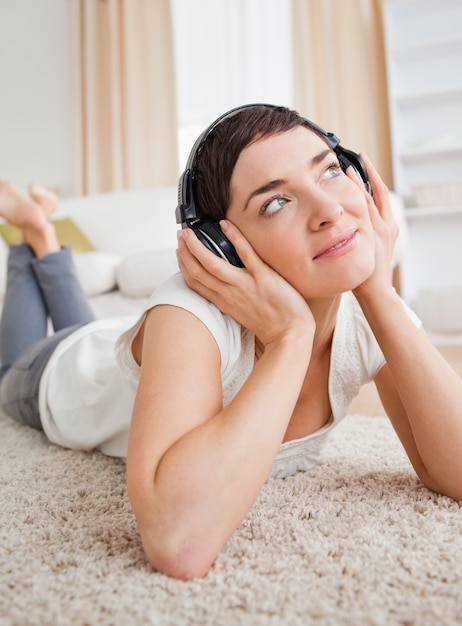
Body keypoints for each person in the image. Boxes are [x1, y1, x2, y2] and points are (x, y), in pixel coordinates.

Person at [1, 105, 461, 582]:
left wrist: (378, 292)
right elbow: (178, 542)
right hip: (59, 374)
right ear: (223, 245)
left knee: (83, 326)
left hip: (109, 346)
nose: (330, 211)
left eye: (328, 171)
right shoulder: (190, 309)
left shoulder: (370, 312)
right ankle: (30, 236)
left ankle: (42, 236)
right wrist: (290, 337)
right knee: (12, 365)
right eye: (275, 202)